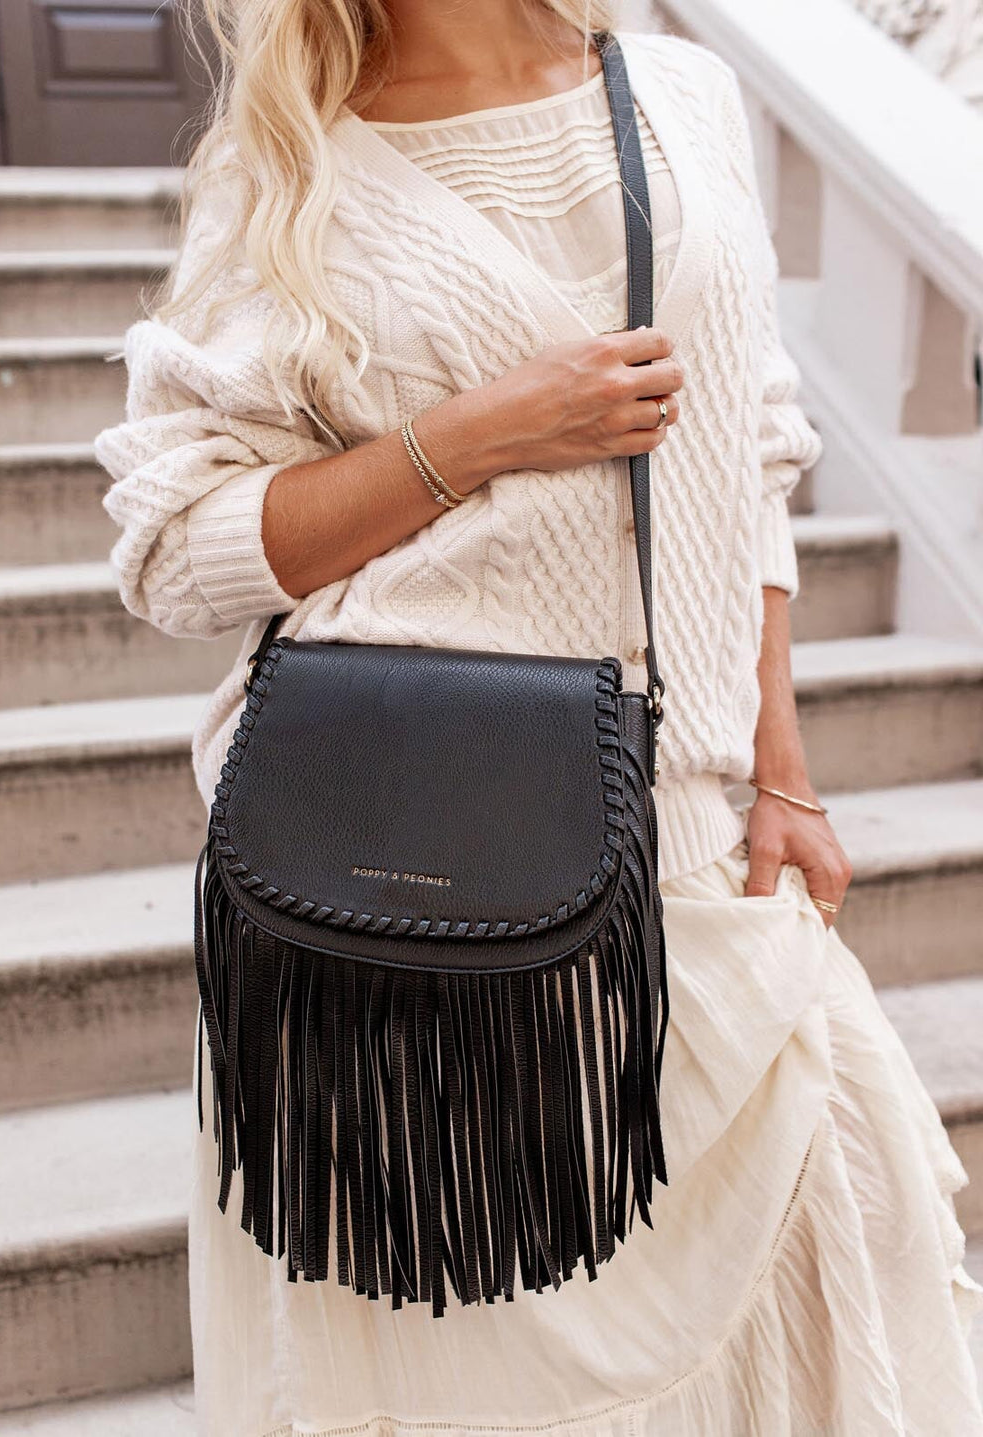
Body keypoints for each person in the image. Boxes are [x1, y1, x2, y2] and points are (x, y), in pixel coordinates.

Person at [94, 1, 983, 1431]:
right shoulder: (292, 168)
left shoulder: (682, 100)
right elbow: (176, 550)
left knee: (839, 1280)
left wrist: (785, 768)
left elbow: (750, 443)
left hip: (690, 851)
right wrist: (480, 435)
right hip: (393, 907)